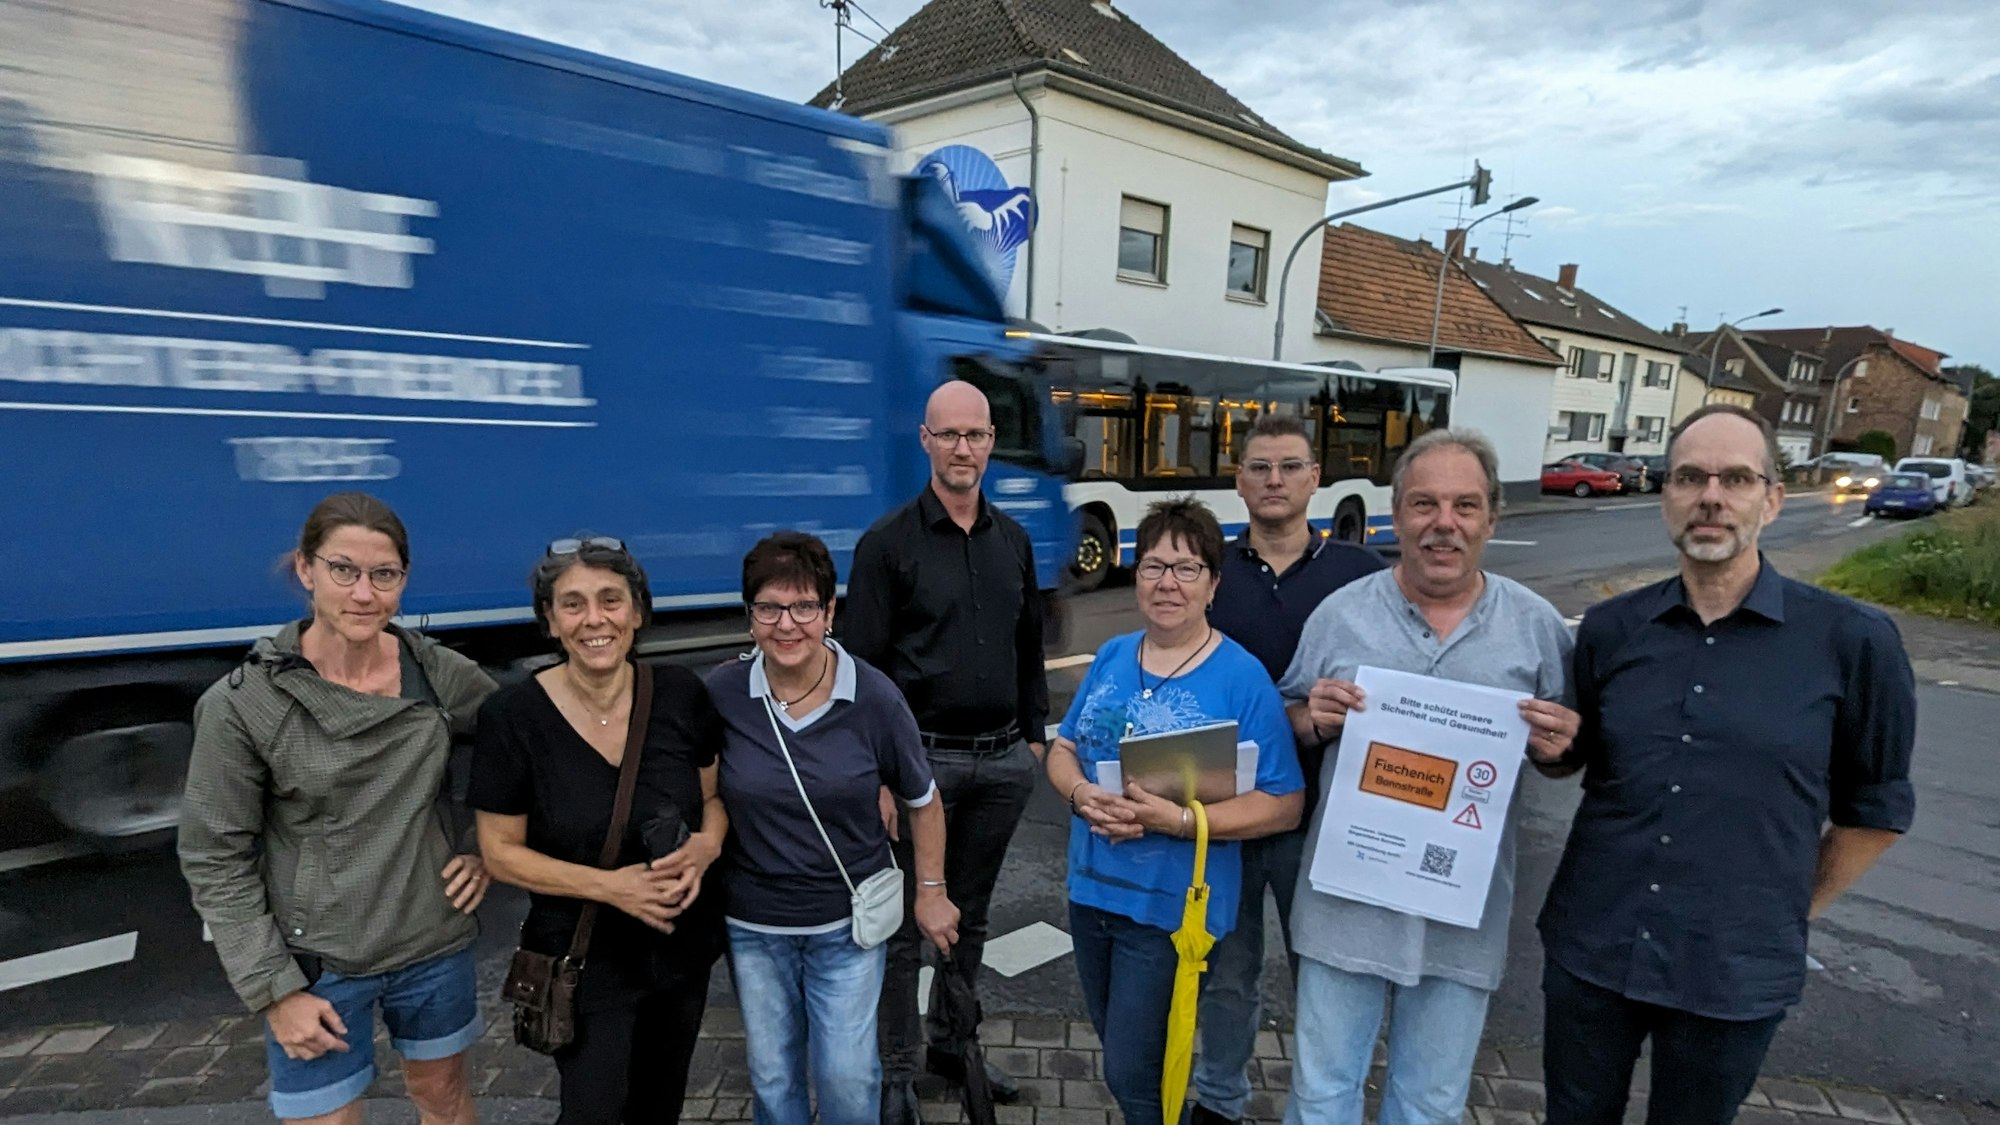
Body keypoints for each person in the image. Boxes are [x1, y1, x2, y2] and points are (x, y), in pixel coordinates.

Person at [1537, 404, 1917, 1125]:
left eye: (1736, 478)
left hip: (1735, 970)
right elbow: (1577, 761)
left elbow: (1877, 810)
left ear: (1771, 499)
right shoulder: (1613, 629)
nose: (1711, 496)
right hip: (1594, 943)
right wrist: (1550, 751)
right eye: (1690, 477)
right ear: (1666, 496)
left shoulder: (1854, 640)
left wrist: (1784, 909)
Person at [1279, 430, 1581, 1125]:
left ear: (1491, 519)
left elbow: (1565, 755)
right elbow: (1288, 712)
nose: (1444, 523)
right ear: (1398, 512)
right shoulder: (1343, 613)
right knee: (1322, 1095)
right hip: (1345, 903)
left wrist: (1560, 746)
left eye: (1465, 505)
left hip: (1461, 914)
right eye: (1424, 503)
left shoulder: (1535, 628)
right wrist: (1312, 717)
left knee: (1430, 1104)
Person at [180, 492, 497, 1125]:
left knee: (443, 1097)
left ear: (403, 580)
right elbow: (215, 857)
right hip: (318, 966)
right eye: (342, 570)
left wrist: (489, 848)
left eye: (384, 575)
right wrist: (274, 991)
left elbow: (527, 751)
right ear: (306, 569)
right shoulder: (244, 705)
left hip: (430, 943)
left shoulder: (436, 673)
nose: (363, 594)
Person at [1042, 497, 1305, 1125]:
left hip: (1171, 907)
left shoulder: (1242, 678)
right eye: (1153, 566)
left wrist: (1180, 821)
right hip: (1092, 892)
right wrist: (1081, 795)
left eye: (1186, 569)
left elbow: (1284, 803)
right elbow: (1064, 749)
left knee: (1136, 1073)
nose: (1166, 583)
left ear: (1213, 585)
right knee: (1127, 1061)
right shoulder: (1111, 655)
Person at [842, 379, 1049, 1121]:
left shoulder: (1015, 540)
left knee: (972, 919)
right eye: (949, 434)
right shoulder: (886, 545)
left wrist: (1031, 739)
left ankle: (953, 1048)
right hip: (915, 766)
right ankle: (895, 1072)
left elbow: (1031, 649)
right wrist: (876, 776)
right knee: (902, 928)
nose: (964, 448)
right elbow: (859, 672)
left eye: (977, 434)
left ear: (991, 442)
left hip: (1000, 764)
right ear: (925, 441)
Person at [470, 537, 728, 1125]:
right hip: (584, 957)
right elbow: (500, 853)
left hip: (679, 951)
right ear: (550, 621)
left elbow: (713, 799)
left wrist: (707, 846)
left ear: (638, 612)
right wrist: (613, 887)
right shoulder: (512, 718)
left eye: (611, 600)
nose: (595, 620)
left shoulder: (681, 695)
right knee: (595, 1111)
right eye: (573, 604)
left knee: (658, 1108)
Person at [708, 532, 961, 1125]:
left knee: (847, 1080)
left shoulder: (873, 697)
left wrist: (931, 892)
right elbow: (697, 790)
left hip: (846, 926)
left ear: (829, 612)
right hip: (753, 925)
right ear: (749, 617)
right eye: (768, 608)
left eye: (803, 607)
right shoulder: (723, 693)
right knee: (773, 1079)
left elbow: (923, 800)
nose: (786, 624)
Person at [1193, 415, 1387, 1125]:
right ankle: (1219, 1098)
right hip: (1231, 811)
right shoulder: (1209, 571)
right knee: (1226, 973)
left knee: (1327, 976)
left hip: (1330, 817)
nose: (1274, 479)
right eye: (1259, 466)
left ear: (1316, 479)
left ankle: (1324, 1101)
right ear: (1238, 480)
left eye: (1289, 466)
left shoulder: (1362, 576)